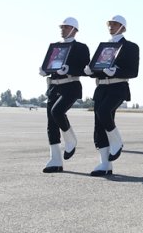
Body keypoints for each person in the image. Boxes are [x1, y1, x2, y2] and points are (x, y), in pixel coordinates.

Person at [83, 15, 139, 176]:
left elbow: (133, 71)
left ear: (123, 27)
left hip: (118, 87)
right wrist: (90, 71)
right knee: (98, 126)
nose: (111, 26)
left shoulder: (131, 47)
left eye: (115, 24)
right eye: (110, 24)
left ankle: (117, 141)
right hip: (101, 88)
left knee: (104, 112)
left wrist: (116, 71)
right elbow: (97, 69)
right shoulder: (104, 47)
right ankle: (105, 164)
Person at [38, 17, 90, 173]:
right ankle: (55, 160)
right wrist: (44, 69)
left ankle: (71, 140)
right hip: (53, 87)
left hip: (71, 85)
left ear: (74, 29)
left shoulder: (81, 47)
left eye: (66, 27)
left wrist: (69, 69)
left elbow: (86, 69)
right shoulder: (54, 47)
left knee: (57, 111)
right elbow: (49, 64)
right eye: (62, 27)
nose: (63, 30)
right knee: (51, 125)